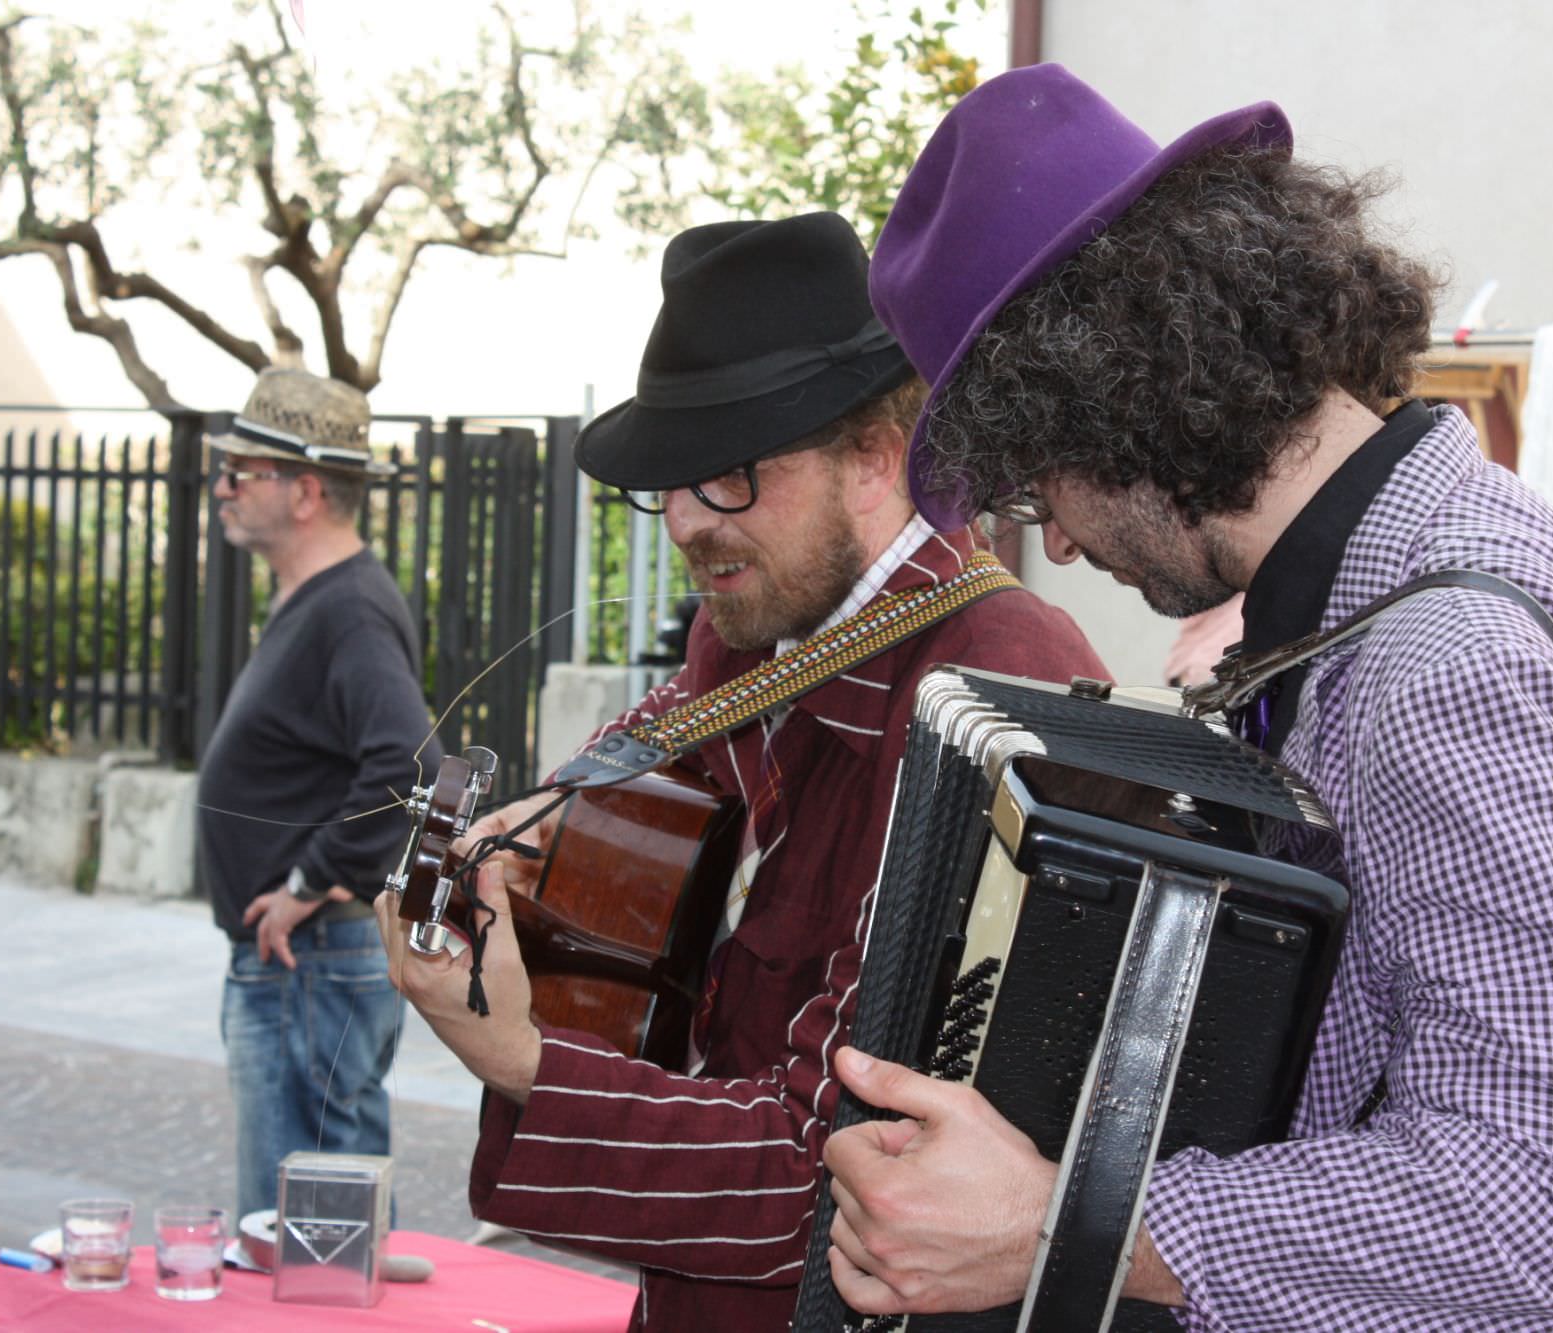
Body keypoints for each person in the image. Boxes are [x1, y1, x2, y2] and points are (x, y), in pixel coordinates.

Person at [820, 64, 1553, 1328]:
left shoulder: (1443, 655)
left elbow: (1542, 1205)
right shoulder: (1425, 563)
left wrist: (1056, 1222)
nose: (1061, 546)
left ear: (1110, 396)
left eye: (1035, 485)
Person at [373, 212, 1105, 1331]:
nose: (679, 521)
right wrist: (533, 844)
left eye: (722, 477)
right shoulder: (755, 628)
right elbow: (645, 819)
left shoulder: (998, 687)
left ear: (872, 454)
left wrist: (521, 1059)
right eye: (665, 483)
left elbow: (832, 1171)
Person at [194, 368, 441, 1221]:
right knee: (301, 1223)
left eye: (241, 470)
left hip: (312, 963)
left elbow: (411, 764)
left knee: (309, 1230)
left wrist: (306, 886)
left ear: (305, 491)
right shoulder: (321, 598)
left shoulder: (349, 611)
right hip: (303, 965)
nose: (221, 485)